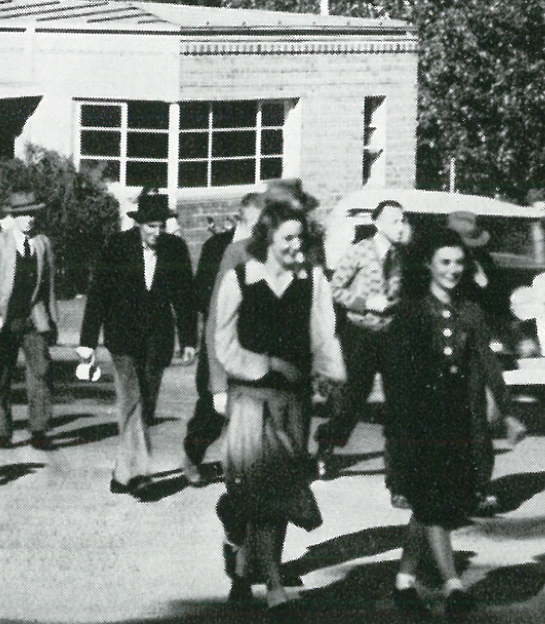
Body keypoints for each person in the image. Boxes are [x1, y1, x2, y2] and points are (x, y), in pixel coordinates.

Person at [211, 186, 345, 613]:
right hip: (251, 400)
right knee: (257, 489)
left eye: (300, 238)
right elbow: (224, 344)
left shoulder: (314, 282)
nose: (295, 246)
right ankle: (271, 583)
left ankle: (248, 564)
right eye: (287, 238)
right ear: (267, 239)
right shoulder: (240, 280)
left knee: (280, 490)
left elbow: (325, 337)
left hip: (294, 403)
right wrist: (266, 364)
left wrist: (331, 379)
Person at [383, 233, 507, 618]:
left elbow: (485, 362)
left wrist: (500, 405)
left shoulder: (470, 310)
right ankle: (453, 585)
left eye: (459, 262)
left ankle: (404, 581)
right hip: (421, 420)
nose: (453, 270)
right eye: (445, 262)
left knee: (431, 502)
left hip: (458, 418)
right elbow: (398, 375)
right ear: (428, 266)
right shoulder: (412, 312)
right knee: (434, 502)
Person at [78, 187, 196, 492]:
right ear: (138, 223)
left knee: (147, 407)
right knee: (131, 401)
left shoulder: (176, 249)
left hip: (158, 340)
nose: (157, 232)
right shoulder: (116, 247)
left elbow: (185, 297)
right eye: (150, 226)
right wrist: (87, 343)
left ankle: (123, 471)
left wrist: (189, 340)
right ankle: (140, 474)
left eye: (161, 226)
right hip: (122, 339)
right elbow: (98, 296)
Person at [316, 199, 414, 478]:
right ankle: (327, 443)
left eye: (402, 220)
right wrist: (365, 302)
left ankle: (397, 467)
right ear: (377, 223)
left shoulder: (400, 255)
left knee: (399, 400)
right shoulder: (359, 252)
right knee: (354, 400)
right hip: (359, 334)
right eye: (394, 221)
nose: (400, 226)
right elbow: (334, 288)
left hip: (391, 334)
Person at [183, 192, 263, 485]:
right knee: (211, 411)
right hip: (220, 339)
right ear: (244, 217)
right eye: (257, 222)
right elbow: (203, 294)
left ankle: (241, 467)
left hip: (252, 345)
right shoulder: (217, 246)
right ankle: (192, 456)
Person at [0, 190, 58, 450]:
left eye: (32, 213)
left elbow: (49, 288)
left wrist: (52, 322)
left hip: (32, 319)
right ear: (13, 215)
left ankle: (39, 430)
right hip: (3, 319)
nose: (29, 218)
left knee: (41, 372)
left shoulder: (42, 243)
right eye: (23, 213)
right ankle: (1, 430)